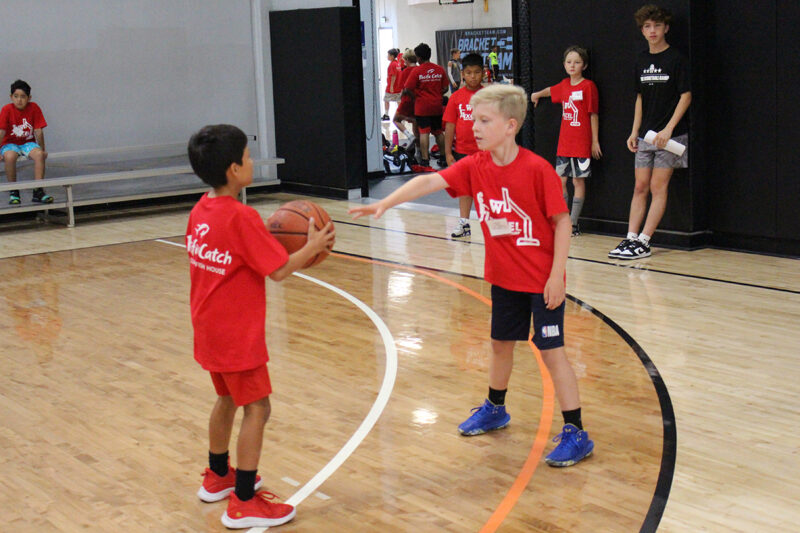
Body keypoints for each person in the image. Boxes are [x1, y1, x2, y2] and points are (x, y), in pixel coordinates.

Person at [350, 85, 595, 468]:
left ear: (510, 126)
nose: (474, 128)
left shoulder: (537, 169)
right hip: (504, 278)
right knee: (500, 344)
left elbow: (562, 222)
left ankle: (576, 431)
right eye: (473, 120)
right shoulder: (475, 166)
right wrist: (385, 202)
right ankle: (496, 408)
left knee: (552, 352)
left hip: (541, 281)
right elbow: (430, 182)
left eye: (484, 121)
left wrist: (556, 276)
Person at [186, 124, 335, 528]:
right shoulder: (241, 217)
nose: (252, 162)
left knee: (226, 398)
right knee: (258, 408)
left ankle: (218, 475)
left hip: (208, 328)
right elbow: (280, 270)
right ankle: (244, 501)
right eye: (248, 157)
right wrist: (313, 245)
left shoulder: (201, 209)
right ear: (234, 169)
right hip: (237, 335)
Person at [609, 4, 691, 259]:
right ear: (642, 30)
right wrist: (634, 131)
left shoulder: (677, 59)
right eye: (647, 26)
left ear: (666, 28)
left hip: (670, 137)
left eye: (657, 25)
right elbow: (640, 98)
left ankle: (644, 241)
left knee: (658, 186)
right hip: (646, 135)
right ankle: (631, 237)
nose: (652, 30)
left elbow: (686, 96)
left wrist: (669, 128)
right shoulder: (641, 60)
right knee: (640, 186)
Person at [530, 45, 602, 236]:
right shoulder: (564, 84)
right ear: (564, 64)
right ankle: (563, 221)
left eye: (577, 62)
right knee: (560, 180)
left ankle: (574, 223)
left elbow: (593, 114)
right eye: (569, 62)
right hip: (564, 143)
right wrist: (537, 94)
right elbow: (551, 91)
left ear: (584, 65)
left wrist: (594, 141)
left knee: (578, 181)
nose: (572, 65)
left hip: (581, 143)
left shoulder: (588, 86)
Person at [443, 52, 484, 238]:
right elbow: (450, 126)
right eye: (468, 73)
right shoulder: (456, 98)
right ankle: (464, 224)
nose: (473, 77)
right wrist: (448, 153)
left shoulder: (490, 97)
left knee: (488, 191)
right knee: (465, 190)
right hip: (462, 152)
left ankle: (494, 227)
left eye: (477, 72)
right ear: (462, 74)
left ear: (483, 73)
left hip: (485, 153)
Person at [0, 79, 52, 205]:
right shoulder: (6, 109)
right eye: (16, 96)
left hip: (27, 143)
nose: (19, 100)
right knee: (10, 156)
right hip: (10, 143)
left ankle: (38, 190)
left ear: (29, 98)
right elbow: (1, 131)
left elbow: (38, 131)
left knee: (39, 155)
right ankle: (13, 190)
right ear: (11, 97)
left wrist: (42, 149)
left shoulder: (34, 108)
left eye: (23, 97)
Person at [403, 43, 448, 169]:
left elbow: (407, 89)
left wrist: (415, 97)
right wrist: (437, 95)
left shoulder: (417, 71)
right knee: (438, 132)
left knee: (424, 132)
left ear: (418, 58)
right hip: (436, 106)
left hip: (422, 106)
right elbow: (445, 88)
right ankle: (444, 158)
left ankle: (425, 160)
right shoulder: (439, 69)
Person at [393, 50, 418, 149]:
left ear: (407, 60)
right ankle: (418, 151)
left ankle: (409, 136)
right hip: (418, 101)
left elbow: (402, 88)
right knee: (416, 123)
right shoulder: (419, 70)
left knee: (396, 120)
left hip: (407, 100)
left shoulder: (405, 72)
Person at [382, 48, 402, 121]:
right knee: (398, 100)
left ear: (392, 56)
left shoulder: (392, 65)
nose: (387, 56)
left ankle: (386, 114)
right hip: (398, 86)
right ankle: (401, 114)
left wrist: (391, 86)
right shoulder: (397, 64)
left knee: (386, 100)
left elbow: (393, 76)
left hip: (392, 86)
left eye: (388, 55)